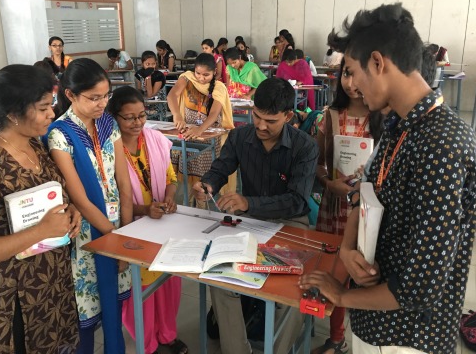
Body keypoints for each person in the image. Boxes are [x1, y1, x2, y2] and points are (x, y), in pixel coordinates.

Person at [299, 3, 476, 354]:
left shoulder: (441, 145)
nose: (352, 85)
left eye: (353, 72)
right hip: (374, 322)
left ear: (378, 63)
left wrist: (341, 295)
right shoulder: (400, 125)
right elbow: (365, 189)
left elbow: (421, 287)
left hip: (406, 337)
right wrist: (348, 248)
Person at [0, 64, 81, 353]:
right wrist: (41, 231)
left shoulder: (34, 145)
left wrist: (70, 209)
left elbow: (50, 194)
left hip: (50, 282)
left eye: (51, 105)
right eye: (43, 108)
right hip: (16, 295)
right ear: (13, 112)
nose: (52, 113)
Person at [192, 77, 318, 354]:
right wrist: (208, 184)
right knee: (220, 278)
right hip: (248, 222)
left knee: (296, 287)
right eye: (257, 116)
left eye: (270, 121)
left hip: (289, 222)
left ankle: (279, 350)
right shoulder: (240, 137)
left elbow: (297, 201)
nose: (261, 126)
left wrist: (248, 203)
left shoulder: (305, 146)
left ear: (288, 116)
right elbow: (221, 168)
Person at [45, 58, 134, 354]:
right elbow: (80, 199)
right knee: (86, 313)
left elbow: (124, 184)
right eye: (94, 98)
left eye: (106, 96)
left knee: (114, 308)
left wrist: (125, 234)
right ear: (70, 94)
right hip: (87, 233)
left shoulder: (109, 124)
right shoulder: (60, 134)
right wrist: (115, 239)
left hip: (118, 227)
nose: (102, 104)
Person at [107, 87, 188, 354]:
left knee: (167, 283)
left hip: (162, 225)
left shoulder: (154, 139)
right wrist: (143, 210)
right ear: (114, 117)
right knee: (141, 289)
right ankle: (147, 343)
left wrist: (170, 198)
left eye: (142, 115)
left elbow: (171, 178)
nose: (137, 123)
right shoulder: (109, 150)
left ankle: (168, 334)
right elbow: (112, 201)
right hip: (133, 227)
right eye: (129, 117)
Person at [312, 58, 383, 354]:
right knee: (335, 272)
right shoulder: (329, 116)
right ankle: (336, 337)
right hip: (334, 207)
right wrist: (329, 183)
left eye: (358, 75)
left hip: (369, 211)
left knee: (365, 274)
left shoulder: (383, 117)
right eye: (346, 74)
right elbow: (318, 164)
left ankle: (367, 341)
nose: (351, 84)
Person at [167, 53, 234, 205]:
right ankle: (189, 204)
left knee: (205, 175)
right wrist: (177, 115)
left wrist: (200, 129)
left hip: (209, 134)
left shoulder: (219, 87)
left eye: (206, 75)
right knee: (186, 168)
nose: (201, 78)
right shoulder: (187, 78)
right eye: (198, 73)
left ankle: (202, 204)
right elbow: (172, 95)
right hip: (189, 131)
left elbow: (214, 114)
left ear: (214, 73)